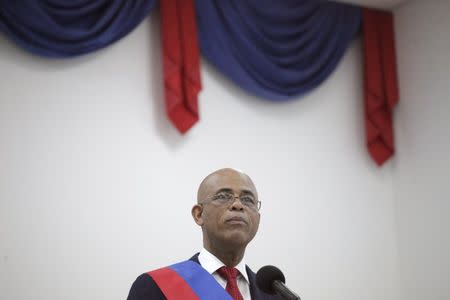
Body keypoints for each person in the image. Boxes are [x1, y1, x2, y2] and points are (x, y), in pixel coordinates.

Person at [127, 168, 283, 299]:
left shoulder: (276, 294)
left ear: (258, 218)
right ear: (199, 214)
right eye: (223, 196)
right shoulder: (154, 287)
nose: (238, 204)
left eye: (248, 200)